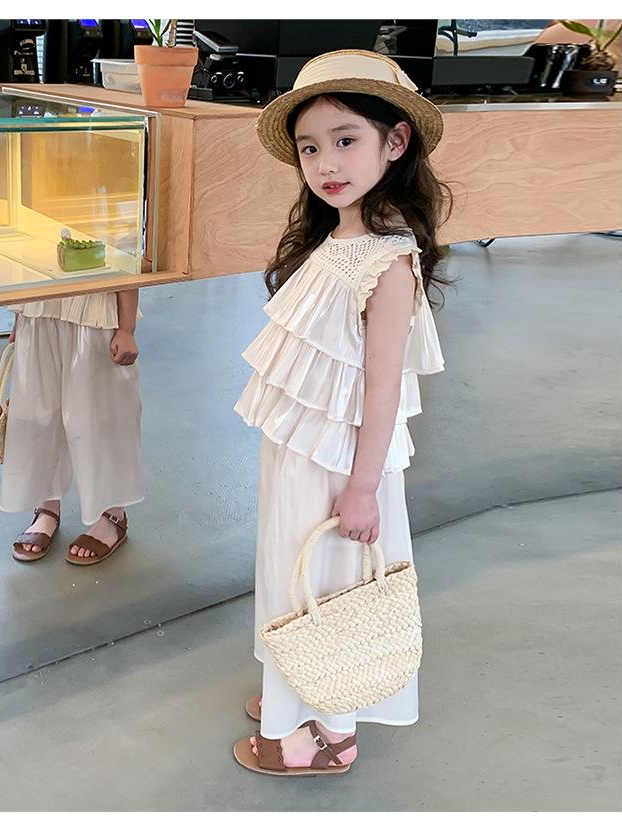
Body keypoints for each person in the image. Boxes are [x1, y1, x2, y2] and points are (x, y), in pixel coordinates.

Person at [232, 49, 452, 775]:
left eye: (346, 139)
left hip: (342, 463)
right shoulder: (336, 240)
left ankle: (328, 731)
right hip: (304, 451)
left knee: (329, 578)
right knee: (293, 566)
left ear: (396, 142)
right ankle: (296, 687)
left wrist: (362, 488)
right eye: (309, 147)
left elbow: (383, 388)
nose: (326, 162)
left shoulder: (387, 261)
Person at [0, 286, 143, 565]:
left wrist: (127, 328)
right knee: (38, 413)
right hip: (39, 305)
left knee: (99, 414)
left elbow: (128, 260)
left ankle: (113, 514)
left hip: (95, 302)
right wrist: (19, 313)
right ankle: (47, 505)